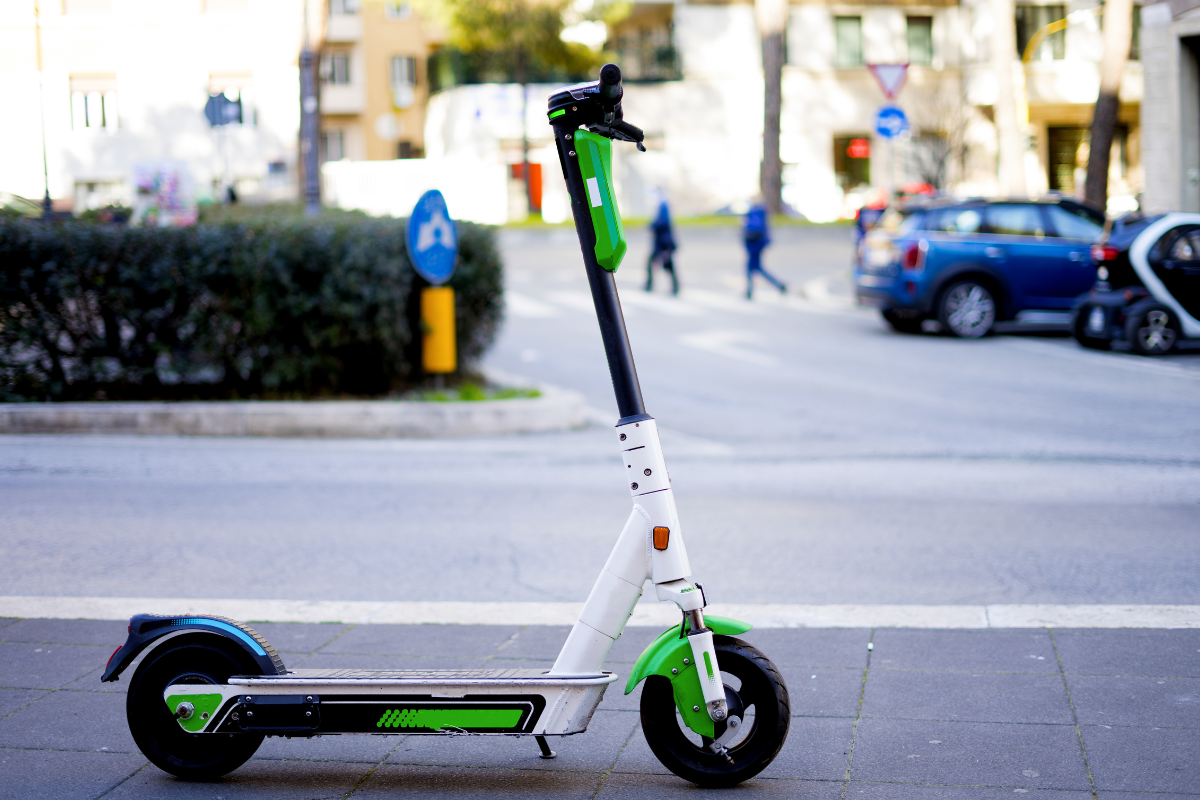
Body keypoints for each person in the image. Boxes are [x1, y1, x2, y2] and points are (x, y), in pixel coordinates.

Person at [743, 202, 786, 299]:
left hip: (753, 246)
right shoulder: (762, 214)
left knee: (752, 268)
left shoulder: (751, 214)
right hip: (760, 244)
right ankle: (778, 285)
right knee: (756, 268)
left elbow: (746, 232)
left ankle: (750, 291)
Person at [646, 198, 678, 295]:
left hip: (663, 243)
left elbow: (663, 221)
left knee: (666, 265)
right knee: (666, 265)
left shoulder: (663, 205)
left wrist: (652, 225)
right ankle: (674, 287)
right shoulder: (663, 205)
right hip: (663, 243)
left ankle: (650, 285)